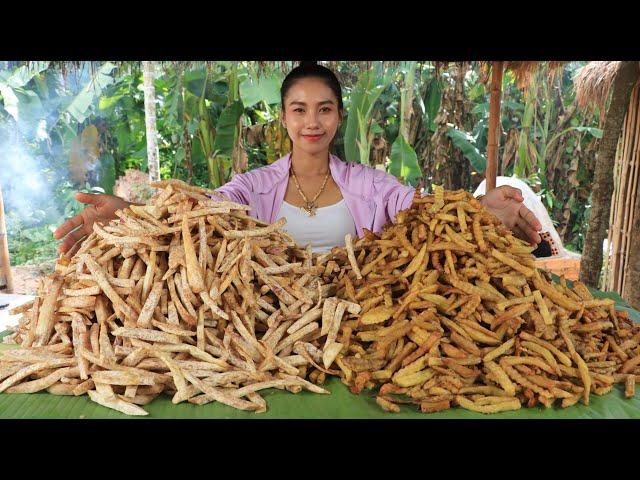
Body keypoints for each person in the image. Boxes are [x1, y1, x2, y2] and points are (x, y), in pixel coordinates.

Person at [54, 63, 542, 256]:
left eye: (324, 109)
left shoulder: (371, 186)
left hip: (355, 327)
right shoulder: (251, 188)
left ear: (337, 117)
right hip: (270, 327)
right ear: (284, 118)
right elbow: (197, 211)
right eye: (299, 109)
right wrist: (133, 214)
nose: (312, 121)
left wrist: (482, 208)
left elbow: (428, 212)